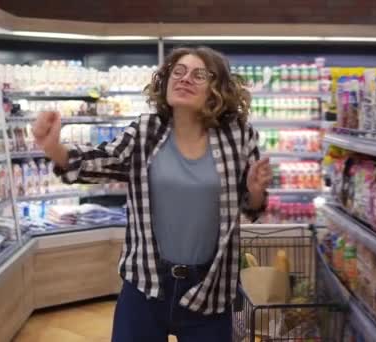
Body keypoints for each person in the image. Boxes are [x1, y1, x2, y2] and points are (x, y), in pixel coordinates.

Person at [32, 46, 272, 342]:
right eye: (178, 72)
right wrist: (54, 148)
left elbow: (252, 207)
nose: (185, 79)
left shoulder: (238, 136)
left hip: (211, 287)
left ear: (216, 89)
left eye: (199, 74)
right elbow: (96, 162)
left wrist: (256, 192)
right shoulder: (146, 132)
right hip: (146, 283)